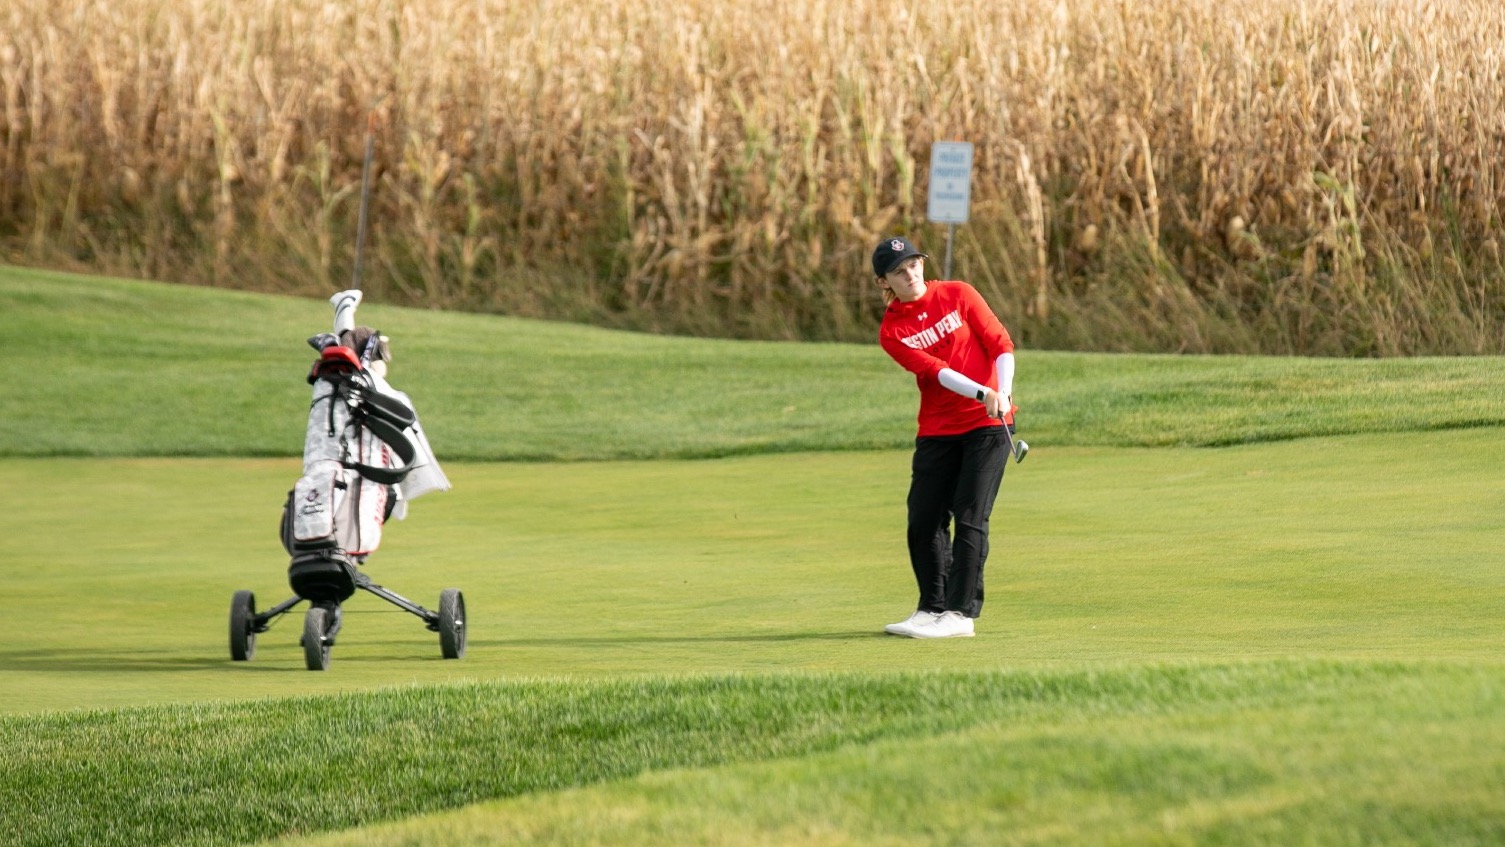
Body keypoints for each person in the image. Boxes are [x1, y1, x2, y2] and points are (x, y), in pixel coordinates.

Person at [873, 236, 1017, 638]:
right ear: (884, 283)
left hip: (988, 426)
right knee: (924, 519)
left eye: (914, 264)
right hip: (938, 428)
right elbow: (936, 371)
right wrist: (981, 391)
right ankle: (930, 607)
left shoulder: (959, 293)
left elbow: (1001, 344)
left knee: (971, 517)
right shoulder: (892, 331)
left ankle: (959, 614)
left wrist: (1001, 393)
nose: (911, 274)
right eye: (899, 272)